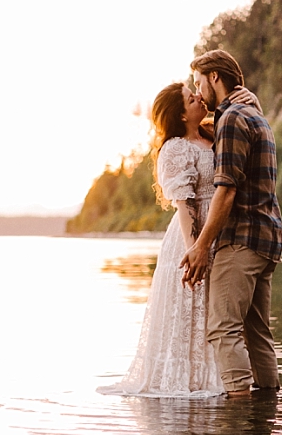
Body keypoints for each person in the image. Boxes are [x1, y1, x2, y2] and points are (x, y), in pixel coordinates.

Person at [99, 80, 261, 398]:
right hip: (194, 236)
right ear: (181, 114)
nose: (198, 97)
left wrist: (252, 102)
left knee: (221, 313)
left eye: (195, 92)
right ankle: (192, 380)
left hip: (223, 232)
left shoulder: (214, 133)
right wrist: (195, 251)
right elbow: (185, 207)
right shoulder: (174, 149)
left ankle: (226, 378)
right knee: (193, 308)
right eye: (190, 98)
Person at [181, 50, 282, 397]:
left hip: (241, 239)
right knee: (257, 335)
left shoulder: (233, 118)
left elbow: (226, 191)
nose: (198, 92)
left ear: (214, 77)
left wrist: (200, 245)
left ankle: (239, 420)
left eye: (199, 82)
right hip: (267, 240)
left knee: (223, 330)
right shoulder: (254, 115)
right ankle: (265, 413)